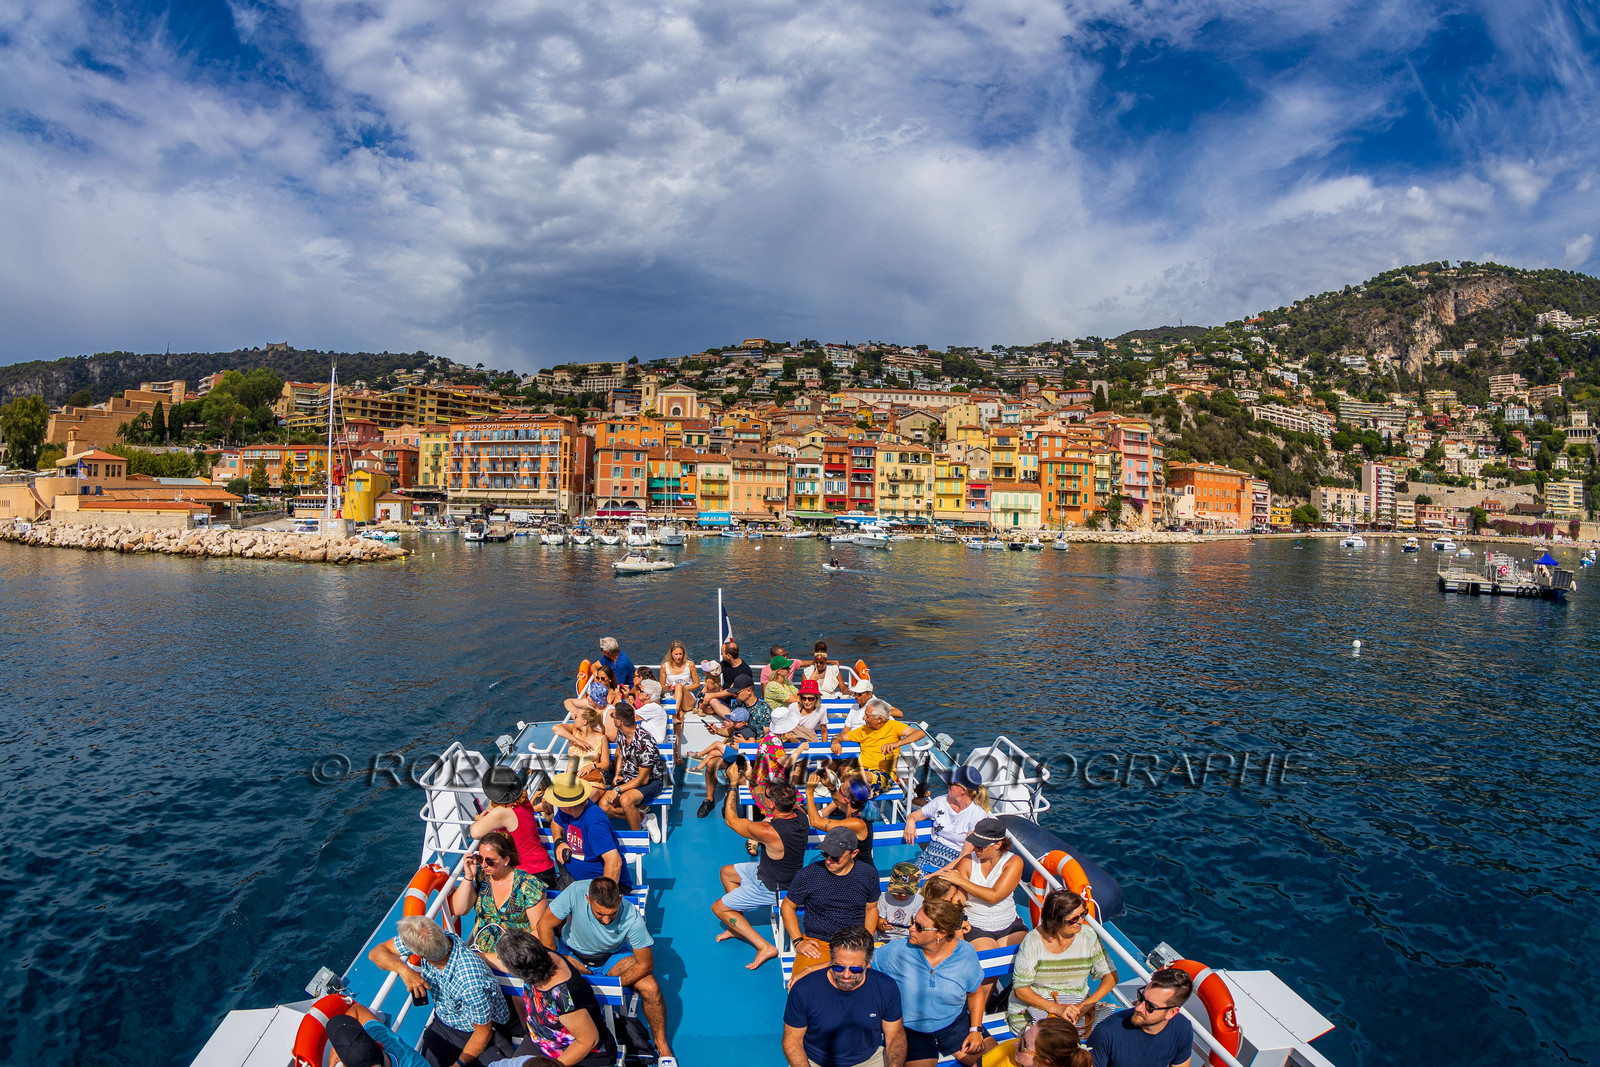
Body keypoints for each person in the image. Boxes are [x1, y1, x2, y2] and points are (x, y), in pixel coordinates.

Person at [536, 877, 675, 1066]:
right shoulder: (575, 891)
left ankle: (662, 1046)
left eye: (612, 913)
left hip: (611, 958)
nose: (607, 919)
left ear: (620, 899)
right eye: (599, 913)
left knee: (651, 987)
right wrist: (552, 959)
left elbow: (645, 965)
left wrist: (612, 985)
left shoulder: (631, 917)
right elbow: (544, 924)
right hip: (572, 956)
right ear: (587, 899)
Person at [368, 915, 513, 1067]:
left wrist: (458, 1064)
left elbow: (483, 1033)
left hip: (483, 1031)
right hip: (446, 1022)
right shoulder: (433, 939)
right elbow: (376, 953)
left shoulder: (470, 982)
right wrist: (404, 970)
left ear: (420, 955)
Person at [711, 768, 809, 970]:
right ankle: (737, 926)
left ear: (772, 805)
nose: (762, 797)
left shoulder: (768, 831)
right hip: (773, 871)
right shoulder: (800, 815)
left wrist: (732, 785)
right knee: (726, 872)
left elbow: (731, 820)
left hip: (773, 887)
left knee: (718, 908)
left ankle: (764, 946)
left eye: (765, 797)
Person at [873, 899, 989, 1067]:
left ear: (940, 934)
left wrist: (976, 1030)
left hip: (954, 1022)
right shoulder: (896, 950)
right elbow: (865, 965)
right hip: (911, 1029)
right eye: (913, 921)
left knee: (995, 1061)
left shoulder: (965, 953)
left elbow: (975, 992)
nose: (911, 928)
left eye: (919, 927)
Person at [782, 926, 906, 1067]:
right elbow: (792, 1041)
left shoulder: (886, 987)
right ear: (831, 959)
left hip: (869, 1060)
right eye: (838, 967)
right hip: (816, 1062)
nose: (846, 975)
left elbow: (895, 1036)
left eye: (855, 969)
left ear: (868, 961)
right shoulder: (804, 990)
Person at [494, 928, 615, 1067]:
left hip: (579, 1055)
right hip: (541, 1041)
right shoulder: (538, 957)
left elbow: (588, 1041)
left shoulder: (563, 997)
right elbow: (500, 962)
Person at [1006, 889, 1117, 1038]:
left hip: (1077, 1009)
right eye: (1074, 919)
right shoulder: (1033, 941)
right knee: (1056, 1043)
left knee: (1109, 1036)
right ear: (1055, 919)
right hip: (1035, 1009)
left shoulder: (1088, 936)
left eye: (1084, 914)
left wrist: (1084, 1006)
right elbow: (1021, 990)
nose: (1081, 921)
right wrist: (1057, 1009)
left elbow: (1110, 977)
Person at [781, 826, 881, 985]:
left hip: (854, 943)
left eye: (835, 857)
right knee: (800, 987)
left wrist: (866, 944)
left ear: (853, 853)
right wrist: (798, 941)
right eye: (825, 854)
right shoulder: (809, 874)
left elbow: (871, 909)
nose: (828, 860)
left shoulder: (868, 874)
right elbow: (787, 906)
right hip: (817, 944)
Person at [447, 830, 550, 964]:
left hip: (514, 955)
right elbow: (458, 910)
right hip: (481, 950)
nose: (483, 865)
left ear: (506, 859)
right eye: (480, 859)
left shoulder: (528, 885)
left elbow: (539, 930)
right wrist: (468, 877)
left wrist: (516, 956)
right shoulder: (481, 877)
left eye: (490, 861)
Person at [938, 818, 1027, 948]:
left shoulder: (1014, 862)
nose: (975, 849)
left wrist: (961, 881)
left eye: (981, 846)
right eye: (974, 844)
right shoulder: (967, 862)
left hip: (1008, 923)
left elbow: (994, 896)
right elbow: (959, 899)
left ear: (998, 845)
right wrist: (958, 925)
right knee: (989, 959)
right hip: (975, 925)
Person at [1086, 967, 1194, 1067]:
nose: (1138, 1008)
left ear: (1171, 1013)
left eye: (1150, 1006)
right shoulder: (1107, 1033)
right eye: (1141, 997)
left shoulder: (1183, 1029)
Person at [473, 765, 559, 891]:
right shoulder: (523, 800)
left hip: (527, 874)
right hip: (545, 868)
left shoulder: (503, 812)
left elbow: (475, 832)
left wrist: (479, 819)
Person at [694, 681, 773, 817]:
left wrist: (746, 744)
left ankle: (738, 797)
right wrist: (716, 730)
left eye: (738, 692)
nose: (734, 694)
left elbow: (768, 738)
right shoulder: (737, 705)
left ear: (749, 690)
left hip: (754, 755)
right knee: (712, 763)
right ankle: (709, 799)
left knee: (739, 772)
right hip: (735, 750)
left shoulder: (765, 709)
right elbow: (730, 731)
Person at [543, 772, 631, 893]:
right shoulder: (567, 811)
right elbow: (555, 823)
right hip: (571, 879)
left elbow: (614, 862)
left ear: (565, 806)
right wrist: (559, 841)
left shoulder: (594, 823)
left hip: (597, 886)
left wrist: (602, 897)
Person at [903, 765, 991, 874]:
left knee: (936, 888)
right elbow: (915, 816)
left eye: (951, 783)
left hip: (955, 864)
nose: (947, 785)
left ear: (963, 790)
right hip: (929, 856)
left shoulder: (977, 815)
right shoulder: (940, 801)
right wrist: (910, 822)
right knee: (908, 885)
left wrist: (934, 875)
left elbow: (964, 855)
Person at [598, 703, 666, 836]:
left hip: (651, 782)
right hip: (629, 778)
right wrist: (618, 772)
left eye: (612, 716)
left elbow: (643, 779)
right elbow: (619, 750)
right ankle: (645, 819)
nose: (611, 718)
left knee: (626, 800)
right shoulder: (623, 733)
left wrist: (617, 790)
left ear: (619, 722)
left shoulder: (644, 742)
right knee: (604, 806)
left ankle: (637, 843)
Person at [833, 699, 925, 796]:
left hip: (884, 776)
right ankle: (851, 799)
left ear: (879, 719)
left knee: (856, 777)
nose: (863, 718)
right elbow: (841, 736)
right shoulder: (863, 730)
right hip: (864, 772)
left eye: (867, 716)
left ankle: (843, 798)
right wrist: (835, 741)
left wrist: (897, 743)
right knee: (844, 772)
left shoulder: (894, 726)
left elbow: (920, 733)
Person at [804, 770, 876, 868]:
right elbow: (838, 802)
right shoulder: (856, 809)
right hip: (852, 867)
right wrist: (831, 787)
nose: (837, 790)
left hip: (862, 872)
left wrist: (809, 792)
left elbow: (815, 822)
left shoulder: (856, 823)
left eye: (840, 789)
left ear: (846, 799)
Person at [325, 1003, 427, 1067]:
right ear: (379, 1045)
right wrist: (340, 1045)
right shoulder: (383, 1038)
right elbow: (357, 1010)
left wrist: (336, 1048)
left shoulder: (382, 1037)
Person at [981, 1018, 1091, 1067]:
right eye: (1023, 1035)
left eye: (1023, 1046)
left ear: (1046, 1061)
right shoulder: (1007, 1053)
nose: (1016, 1043)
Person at [551, 703, 611, 793]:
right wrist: (576, 740)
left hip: (591, 780)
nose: (574, 718)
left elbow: (606, 764)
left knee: (578, 799)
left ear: (584, 721)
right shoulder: (574, 731)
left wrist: (592, 766)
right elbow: (556, 728)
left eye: (576, 717)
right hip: (571, 780)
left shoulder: (601, 738)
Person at [700, 639, 753, 717]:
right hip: (725, 699)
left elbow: (731, 691)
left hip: (737, 700)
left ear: (729, 656)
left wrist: (711, 695)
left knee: (712, 701)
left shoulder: (744, 670)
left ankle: (732, 720)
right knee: (704, 705)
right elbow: (713, 674)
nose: (721, 654)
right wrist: (705, 667)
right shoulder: (725, 663)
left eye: (722, 653)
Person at [877, 863, 923, 941]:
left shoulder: (919, 900)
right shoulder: (884, 898)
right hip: (886, 938)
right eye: (897, 892)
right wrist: (882, 926)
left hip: (908, 938)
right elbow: (879, 921)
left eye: (906, 893)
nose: (902, 896)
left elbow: (919, 924)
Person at [659, 640, 699, 716]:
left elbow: (697, 684)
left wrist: (680, 689)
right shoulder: (664, 666)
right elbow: (661, 685)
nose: (678, 657)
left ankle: (674, 713)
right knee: (680, 714)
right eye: (676, 654)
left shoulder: (690, 665)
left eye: (680, 654)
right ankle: (677, 714)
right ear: (671, 654)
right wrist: (668, 688)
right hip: (670, 696)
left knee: (679, 686)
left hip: (687, 699)